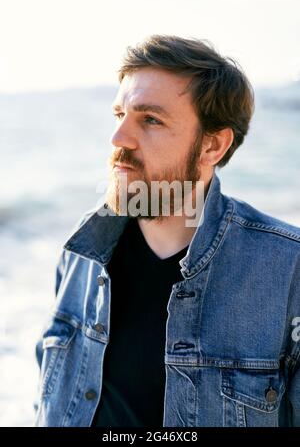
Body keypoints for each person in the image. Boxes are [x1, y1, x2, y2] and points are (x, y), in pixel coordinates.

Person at [34, 35, 300, 427]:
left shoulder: (288, 270)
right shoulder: (82, 252)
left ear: (213, 146)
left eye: (151, 120)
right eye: (118, 114)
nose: (118, 138)